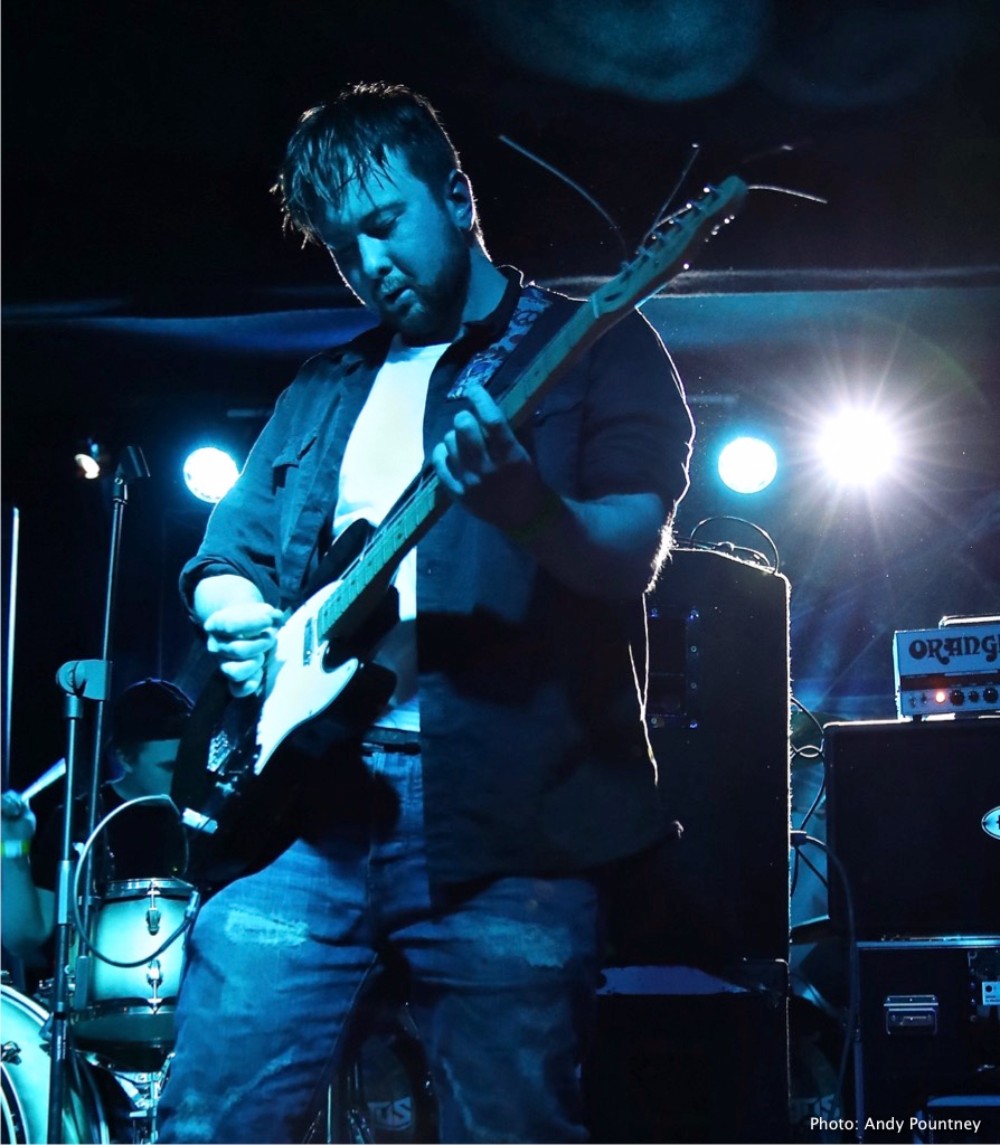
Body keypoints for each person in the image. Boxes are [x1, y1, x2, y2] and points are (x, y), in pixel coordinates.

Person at [158, 81, 694, 1144]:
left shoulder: (594, 346)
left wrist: (527, 507)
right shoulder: (322, 386)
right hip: (305, 810)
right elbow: (226, 554)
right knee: (208, 1120)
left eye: (383, 222)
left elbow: (628, 555)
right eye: (340, 248)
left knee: (513, 1127)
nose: (369, 264)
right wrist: (237, 614)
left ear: (456, 195)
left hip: (510, 819)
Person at [1, 678, 193, 969]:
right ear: (124, 759)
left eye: (191, 763)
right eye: (170, 767)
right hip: (99, 988)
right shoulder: (80, 818)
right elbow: (24, 938)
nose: (184, 777)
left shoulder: (211, 815)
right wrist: (13, 846)